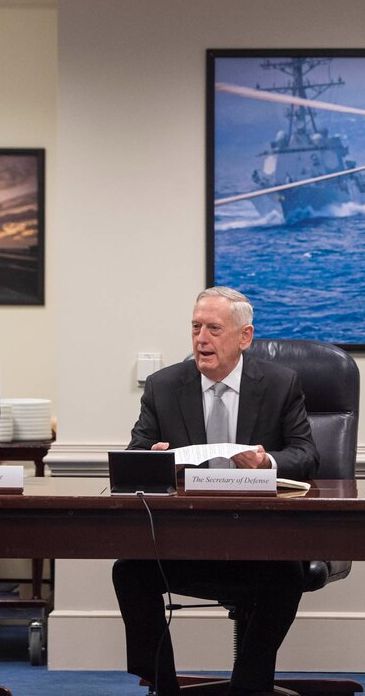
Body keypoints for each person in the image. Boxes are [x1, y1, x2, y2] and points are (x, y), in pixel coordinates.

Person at [112, 286, 318, 696]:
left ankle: (249, 686)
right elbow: (134, 457)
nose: (201, 339)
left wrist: (266, 463)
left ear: (244, 337)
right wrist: (153, 459)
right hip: (186, 542)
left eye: (213, 329)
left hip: (261, 543)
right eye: (195, 328)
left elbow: (307, 455)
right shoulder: (164, 386)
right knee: (129, 571)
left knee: (287, 577)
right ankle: (164, 686)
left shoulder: (280, 383)